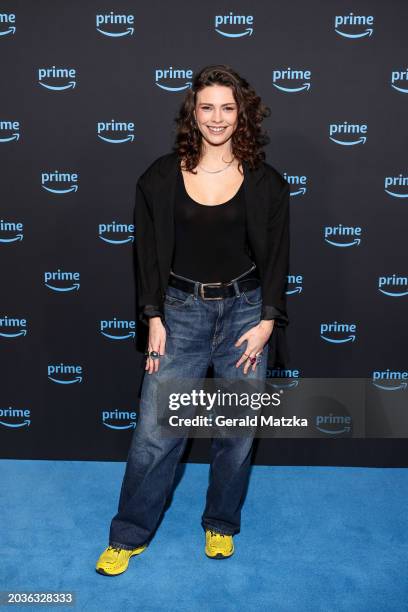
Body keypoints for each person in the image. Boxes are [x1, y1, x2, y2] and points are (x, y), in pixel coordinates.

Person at [96, 64, 290, 576]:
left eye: (228, 107)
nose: (218, 118)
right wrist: (152, 316)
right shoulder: (159, 178)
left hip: (246, 313)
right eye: (207, 107)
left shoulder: (267, 182)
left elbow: (277, 259)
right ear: (193, 112)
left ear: (242, 113)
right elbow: (145, 256)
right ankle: (128, 534)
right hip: (178, 315)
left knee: (237, 429)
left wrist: (268, 319)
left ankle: (221, 525)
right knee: (156, 432)